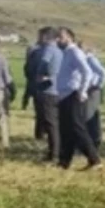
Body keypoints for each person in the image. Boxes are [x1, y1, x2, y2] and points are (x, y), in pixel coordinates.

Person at [54, 28, 101, 170]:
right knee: (65, 130)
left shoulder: (74, 52)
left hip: (73, 94)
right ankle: (64, 162)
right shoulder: (66, 53)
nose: (57, 40)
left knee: (77, 128)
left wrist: (82, 90)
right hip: (64, 95)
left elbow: (87, 71)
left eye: (60, 37)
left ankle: (94, 159)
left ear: (69, 38)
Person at [36, 27, 65, 162]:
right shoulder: (59, 51)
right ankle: (56, 151)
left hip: (48, 90)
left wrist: (42, 74)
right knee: (55, 122)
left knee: (50, 123)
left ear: (46, 37)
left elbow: (44, 64)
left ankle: (53, 154)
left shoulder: (49, 49)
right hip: (57, 89)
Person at [83, 44, 105, 147]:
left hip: (92, 90)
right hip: (91, 90)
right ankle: (94, 139)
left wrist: (97, 86)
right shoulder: (89, 59)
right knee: (91, 115)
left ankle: (93, 141)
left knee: (89, 116)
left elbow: (104, 73)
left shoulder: (90, 59)